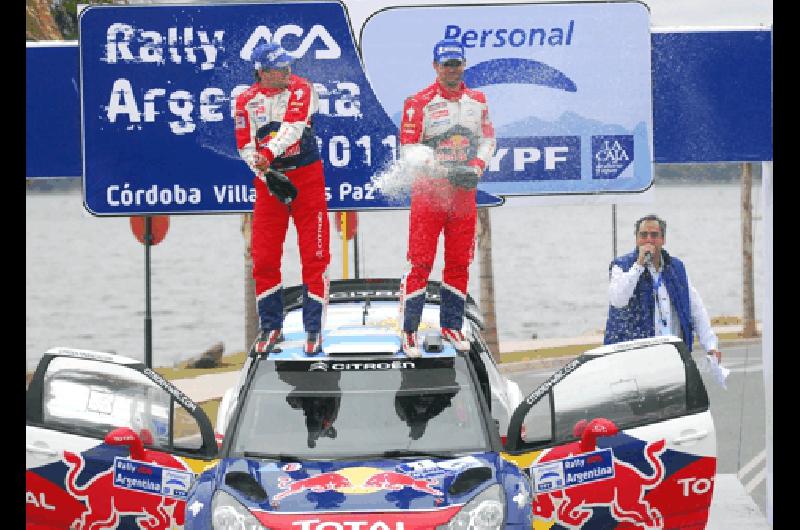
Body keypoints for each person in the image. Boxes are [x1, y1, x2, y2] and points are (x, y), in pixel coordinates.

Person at [398, 39, 496, 357]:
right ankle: (409, 330)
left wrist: (478, 167)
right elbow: (409, 148)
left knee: (458, 262)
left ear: (464, 65)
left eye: (457, 63)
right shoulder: (418, 102)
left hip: (464, 196)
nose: (452, 69)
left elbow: (488, 140)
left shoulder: (477, 100)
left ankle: (451, 325)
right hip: (430, 195)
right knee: (421, 263)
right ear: (435, 66)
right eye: (446, 64)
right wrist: (442, 169)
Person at [234, 42, 330, 355]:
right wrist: (264, 171)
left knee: (314, 256)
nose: (286, 72)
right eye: (279, 68)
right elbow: (244, 146)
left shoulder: (302, 88)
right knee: (263, 257)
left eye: (288, 65)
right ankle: (271, 326)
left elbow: (293, 128)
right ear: (261, 72)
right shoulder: (245, 101)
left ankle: (314, 328)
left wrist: (267, 155)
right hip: (269, 182)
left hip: (306, 177)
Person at [604, 214, 723, 362]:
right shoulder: (621, 266)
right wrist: (639, 265)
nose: (649, 240)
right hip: (636, 358)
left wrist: (711, 345)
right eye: (643, 235)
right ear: (636, 239)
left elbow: (695, 308)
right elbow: (618, 300)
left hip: (674, 356)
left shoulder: (676, 268)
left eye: (654, 235)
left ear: (663, 240)